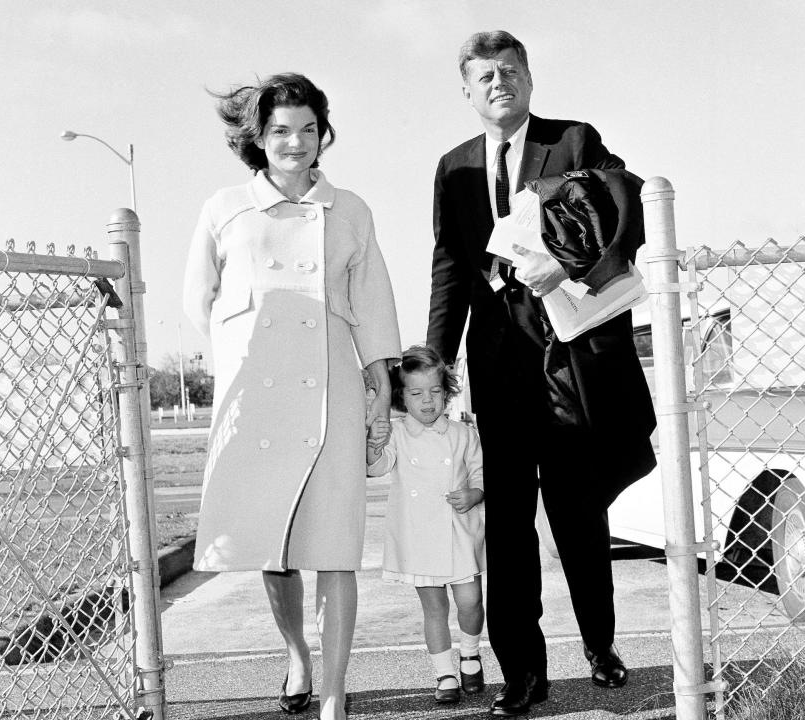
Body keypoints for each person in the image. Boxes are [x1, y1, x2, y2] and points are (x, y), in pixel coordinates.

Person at [426, 31, 656, 717]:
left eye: (509, 70)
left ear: (528, 78)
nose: (499, 83)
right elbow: (450, 268)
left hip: (570, 360)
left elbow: (621, 208)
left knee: (577, 514)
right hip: (498, 371)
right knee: (509, 527)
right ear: (467, 92)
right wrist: (439, 360)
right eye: (484, 76)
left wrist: (572, 261)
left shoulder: (574, 141)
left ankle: (601, 644)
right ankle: (522, 673)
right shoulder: (454, 168)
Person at [183, 73, 401, 720]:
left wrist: (379, 375)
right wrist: (239, 353)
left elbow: (374, 300)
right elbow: (197, 302)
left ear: (322, 133)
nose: (296, 143)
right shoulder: (224, 208)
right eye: (281, 130)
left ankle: (334, 693)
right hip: (259, 396)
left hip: (332, 389)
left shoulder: (351, 209)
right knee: (275, 546)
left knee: (335, 544)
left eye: (309, 129)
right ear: (259, 136)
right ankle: (297, 655)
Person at [366, 346, 486, 705]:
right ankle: (444, 672)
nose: (428, 401)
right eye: (417, 393)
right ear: (402, 396)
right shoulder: (398, 434)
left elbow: (480, 470)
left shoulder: (463, 433)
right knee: (434, 609)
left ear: (447, 392)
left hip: (458, 531)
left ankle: (470, 652)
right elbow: (377, 467)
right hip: (419, 535)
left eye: (435, 391)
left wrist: (476, 493)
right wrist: (374, 442)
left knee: (471, 599)